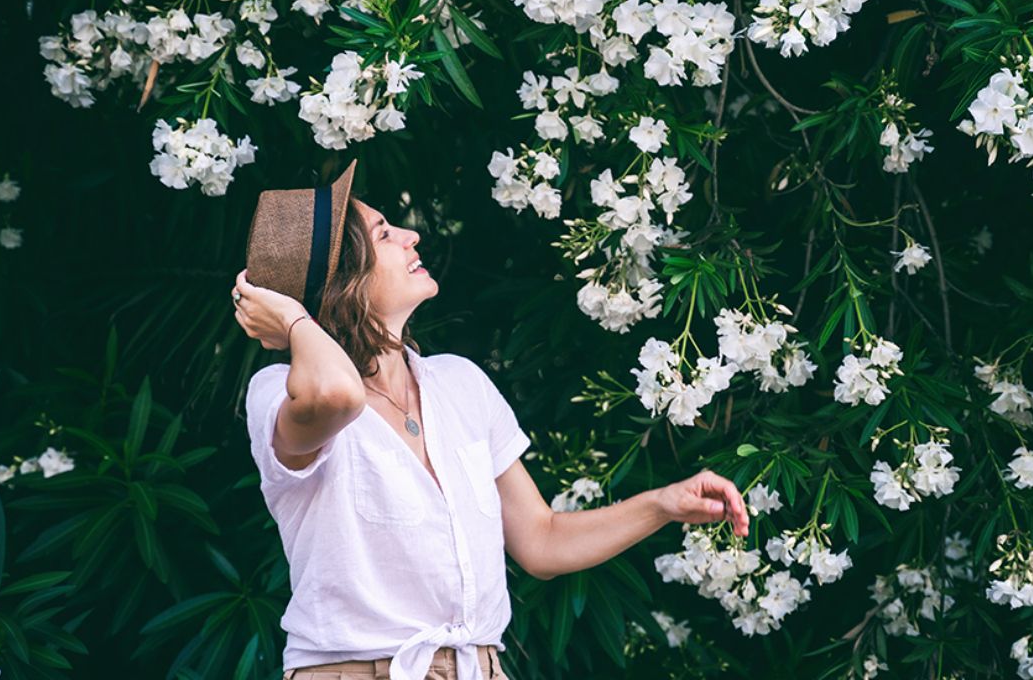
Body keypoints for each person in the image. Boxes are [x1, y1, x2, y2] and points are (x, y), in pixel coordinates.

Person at [232, 158, 750, 680]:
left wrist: (662, 504)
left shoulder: (460, 383)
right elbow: (338, 396)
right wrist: (296, 317)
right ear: (343, 280)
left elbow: (542, 541)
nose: (412, 236)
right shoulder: (278, 394)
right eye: (386, 234)